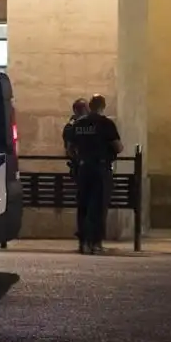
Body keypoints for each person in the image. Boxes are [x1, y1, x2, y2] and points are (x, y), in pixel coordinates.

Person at [69, 94, 124, 254]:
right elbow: (118, 147)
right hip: (100, 168)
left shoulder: (79, 124)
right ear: (102, 106)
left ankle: (83, 242)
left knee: (84, 206)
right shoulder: (106, 123)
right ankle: (95, 243)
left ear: (90, 106)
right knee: (98, 206)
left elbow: (71, 148)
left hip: (83, 168)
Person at [63, 98, 90, 252]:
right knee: (88, 204)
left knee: (82, 204)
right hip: (84, 168)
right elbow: (70, 148)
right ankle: (87, 237)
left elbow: (68, 148)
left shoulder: (70, 126)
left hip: (79, 168)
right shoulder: (83, 125)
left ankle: (83, 236)